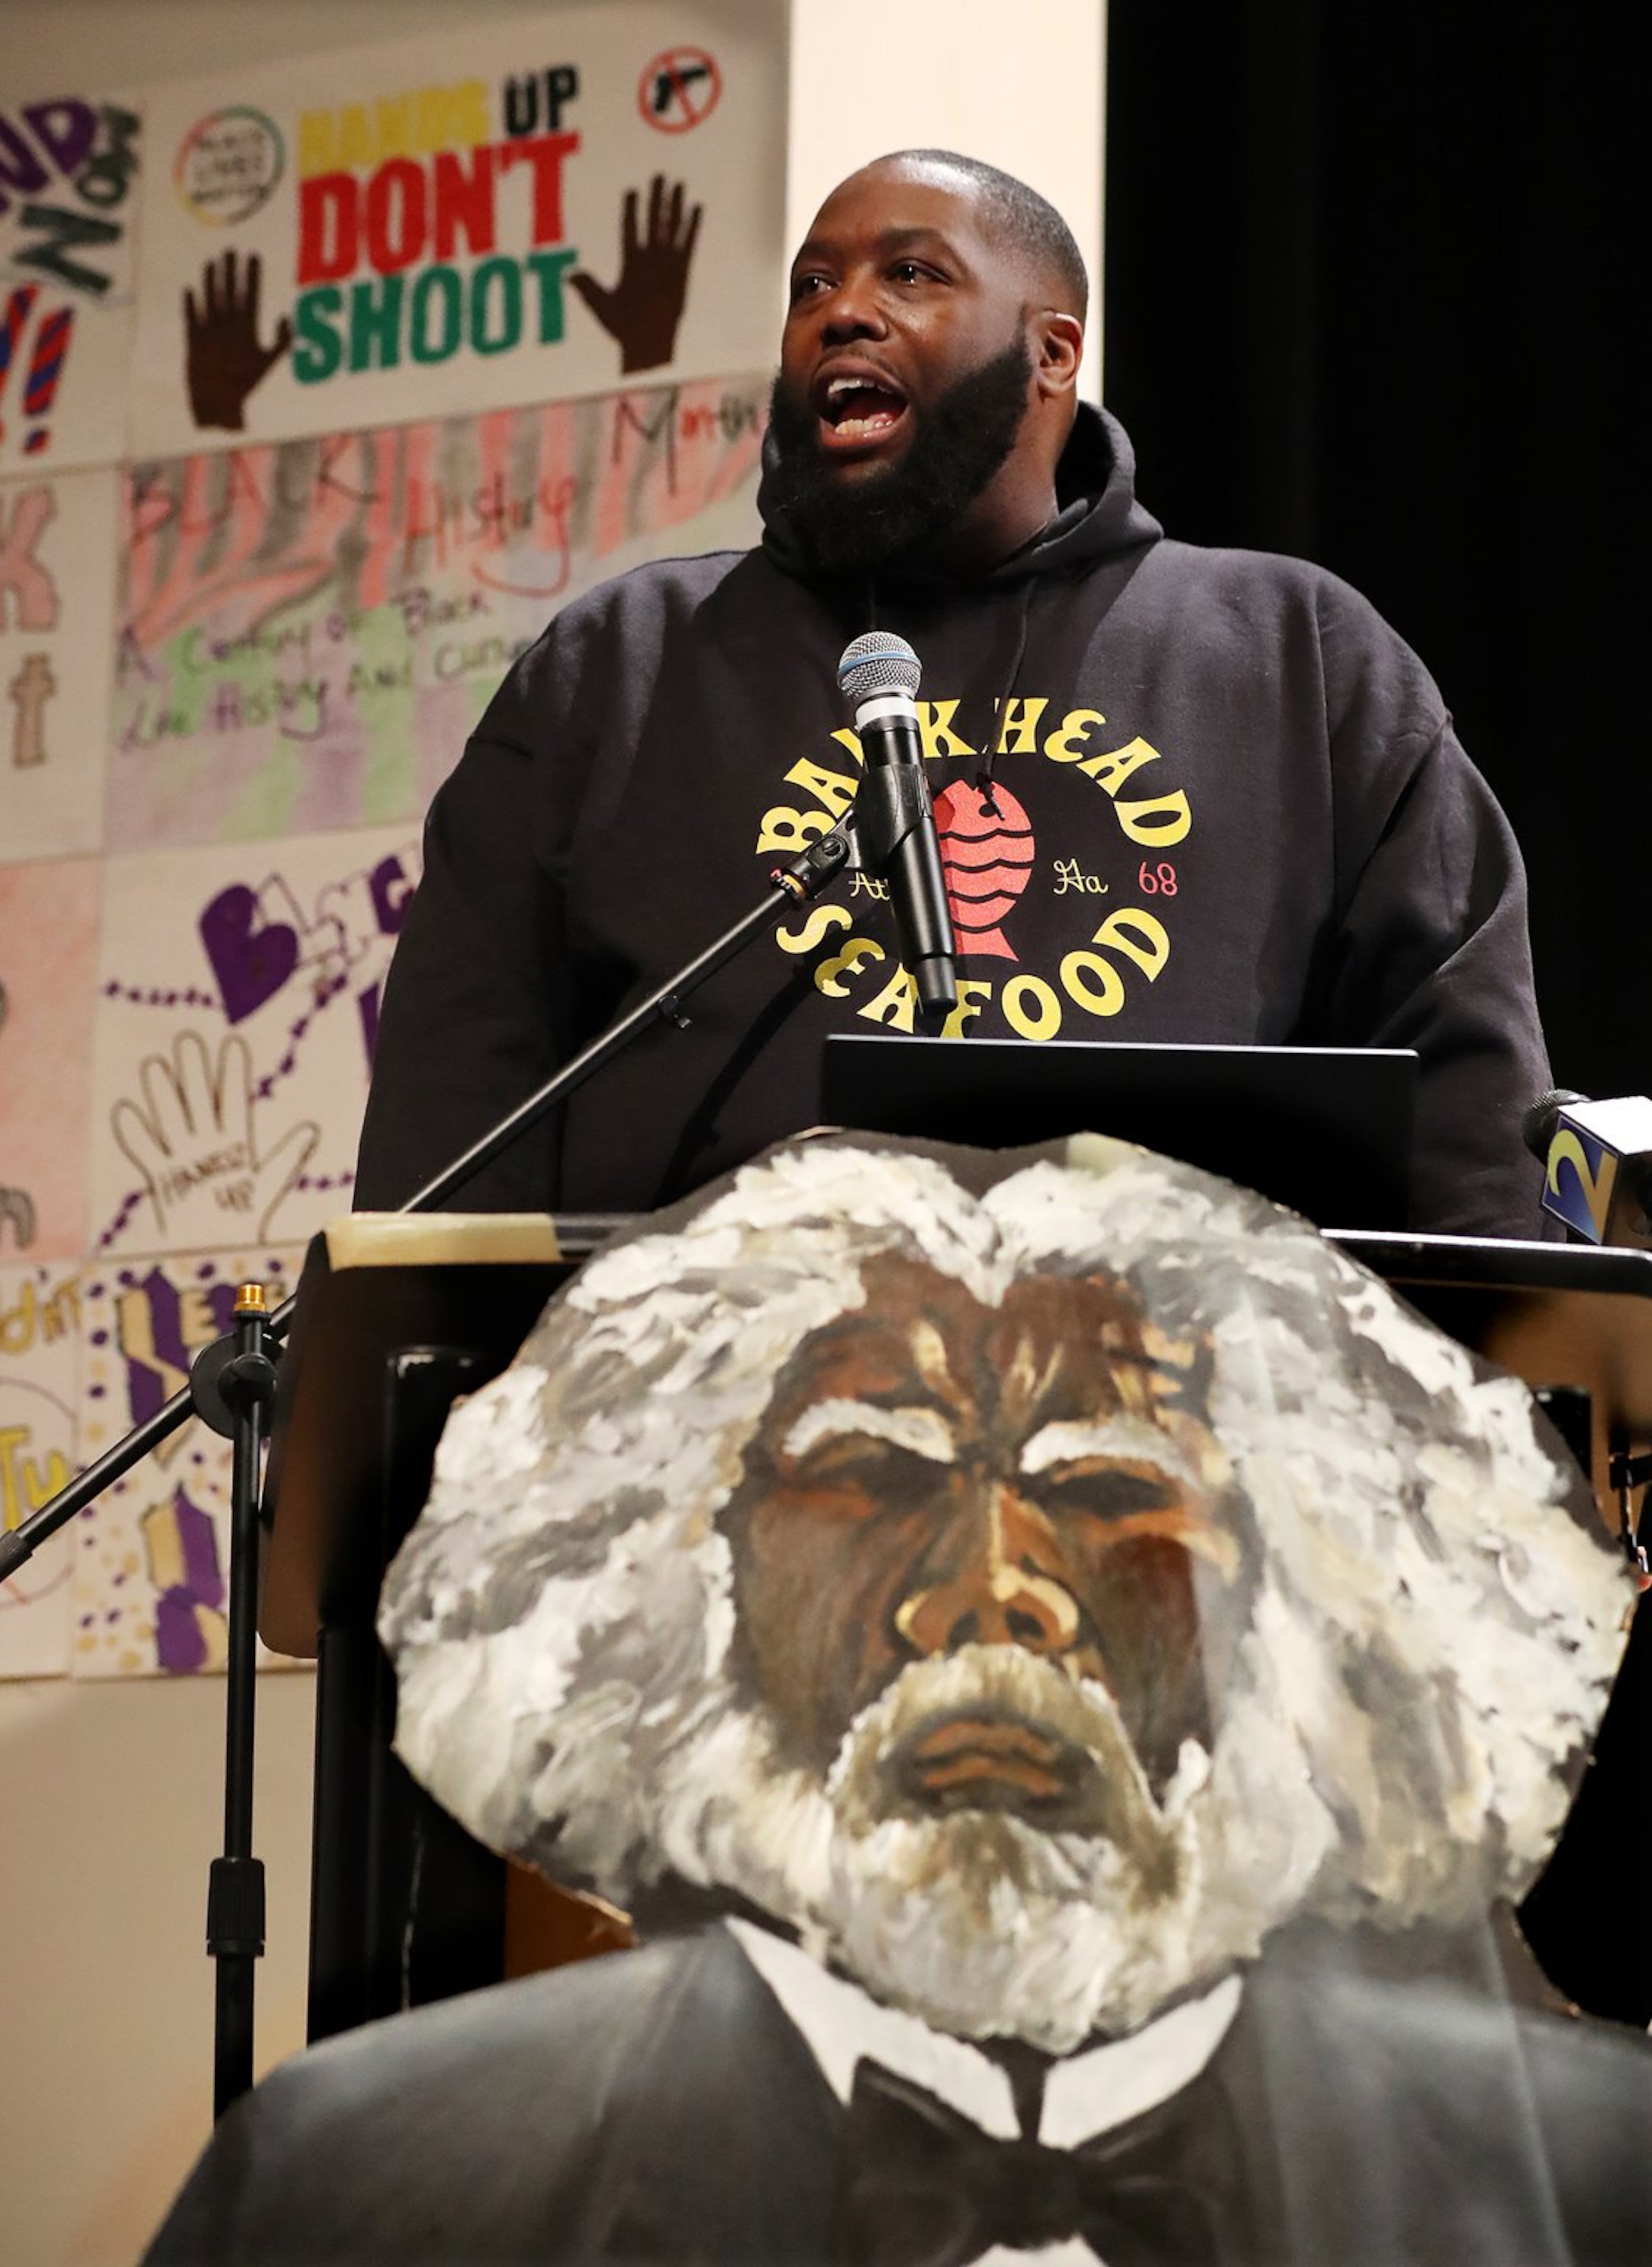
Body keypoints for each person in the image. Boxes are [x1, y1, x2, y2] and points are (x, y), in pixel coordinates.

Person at [147, 1134, 1650, 2263]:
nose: (990, 1588)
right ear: (687, 1570)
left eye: (1104, 1486)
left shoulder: (1609, 2186)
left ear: (1300, 1589)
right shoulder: (347, 2194)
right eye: (872, 1470)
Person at [352, 150, 1550, 1240]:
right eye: (812, 286)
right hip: (699, 1381)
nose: (843, 311)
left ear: (1053, 354)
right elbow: (456, 1106)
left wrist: (1502, 1382)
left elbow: (1469, 1104)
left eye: (911, 274)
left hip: (1186, 1375)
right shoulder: (622, 668)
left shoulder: (1293, 654)